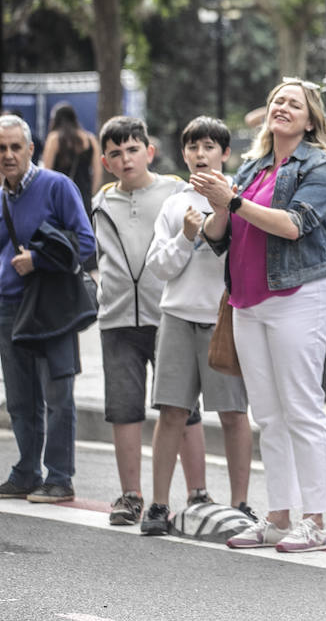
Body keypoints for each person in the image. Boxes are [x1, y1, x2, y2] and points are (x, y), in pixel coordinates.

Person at [193, 78, 326, 553]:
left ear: (310, 119)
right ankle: (278, 517)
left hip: (299, 294)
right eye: (278, 100)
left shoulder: (317, 165)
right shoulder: (255, 165)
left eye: (294, 104)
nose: (282, 107)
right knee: (270, 415)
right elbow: (223, 235)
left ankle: (315, 522)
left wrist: (235, 200)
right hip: (247, 300)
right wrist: (217, 206)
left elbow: (294, 226)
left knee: (301, 409)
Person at [90, 116, 209, 526]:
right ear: (106, 161)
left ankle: (198, 494)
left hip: (169, 315)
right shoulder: (102, 202)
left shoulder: (177, 191)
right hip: (117, 319)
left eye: (133, 150)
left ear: (149, 152)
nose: (126, 159)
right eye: (116, 153)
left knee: (183, 408)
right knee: (123, 410)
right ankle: (130, 496)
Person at [140, 116, 255, 535]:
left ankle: (241, 504)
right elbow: (160, 268)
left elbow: (241, 260)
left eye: (209, 147)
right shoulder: (175, 203)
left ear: (225, 154)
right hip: (176, 316)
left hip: (222, 318)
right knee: (172, 412)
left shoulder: (240, 198)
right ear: (184, 153)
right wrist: (187, 236)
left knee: (232, 413)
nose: (200, 154)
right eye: (193, 147)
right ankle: (157, 506)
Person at [0, 115, 95, 503]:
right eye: (1, 149)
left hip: (51, 307)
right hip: (8, 309)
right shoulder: (2, 197)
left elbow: (86, 245)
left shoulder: (57, 186)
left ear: (30, 149)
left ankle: (59, 478)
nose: (7, 155)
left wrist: (37, 260)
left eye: (14, 147)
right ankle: (26, 472)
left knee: (58, 397)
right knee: (20, 400)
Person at [40, 103, 102, 221]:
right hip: (83, 196)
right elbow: (97, 172)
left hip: (59, 197)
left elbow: (46, 171)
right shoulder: (90, 139)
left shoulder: (54, 138)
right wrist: (90, 193)